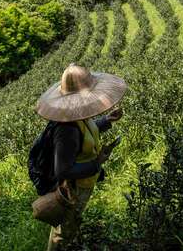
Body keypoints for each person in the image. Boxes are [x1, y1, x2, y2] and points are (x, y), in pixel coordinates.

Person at [35, 63, 127, 251]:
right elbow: (63, 169)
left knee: (71, 227)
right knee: (63, 233)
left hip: (83, 185)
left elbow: (85, 133)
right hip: (73, 191)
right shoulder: (66, 130)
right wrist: (97, 162)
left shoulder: (77, 114)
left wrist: (106, 121)